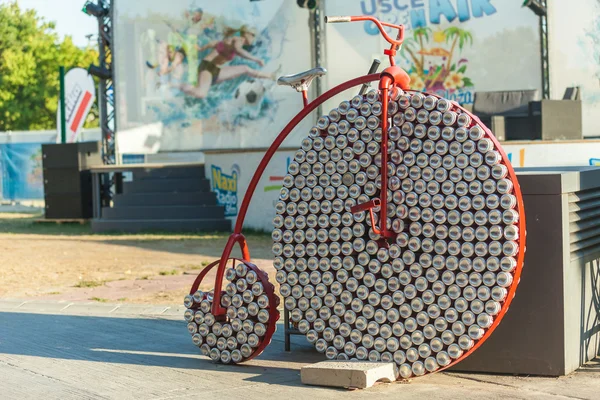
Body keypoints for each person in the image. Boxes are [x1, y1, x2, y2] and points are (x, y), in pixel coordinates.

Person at [181, 25, 276, 99]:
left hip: (216, 71)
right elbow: (238, 50)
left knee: (245, 69)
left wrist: (201, 48)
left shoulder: (230, 41)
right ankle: (175, 85)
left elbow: (214, 43)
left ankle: (271, 76)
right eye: (253, 36)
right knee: (201, 94)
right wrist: (256, 59)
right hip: (207, 67)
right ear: (247, 33)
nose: (254, 39)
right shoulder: (238, 40)